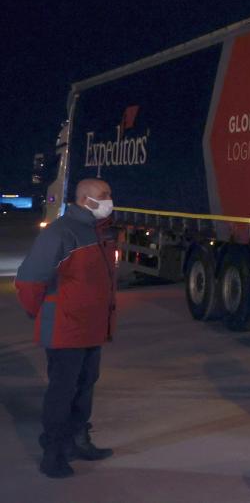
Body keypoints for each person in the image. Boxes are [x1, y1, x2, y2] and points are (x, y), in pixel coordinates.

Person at [15, 178, 119, 478]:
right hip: (65, 330)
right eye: (105, 195)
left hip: (91, 329)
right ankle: (54, 453)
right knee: (62, 392)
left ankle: (78, 440)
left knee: (84, 388)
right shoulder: (63, 233)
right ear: (86, 199)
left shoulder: (97, 231)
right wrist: (41, 314)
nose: (110, 199)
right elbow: (30, 280)